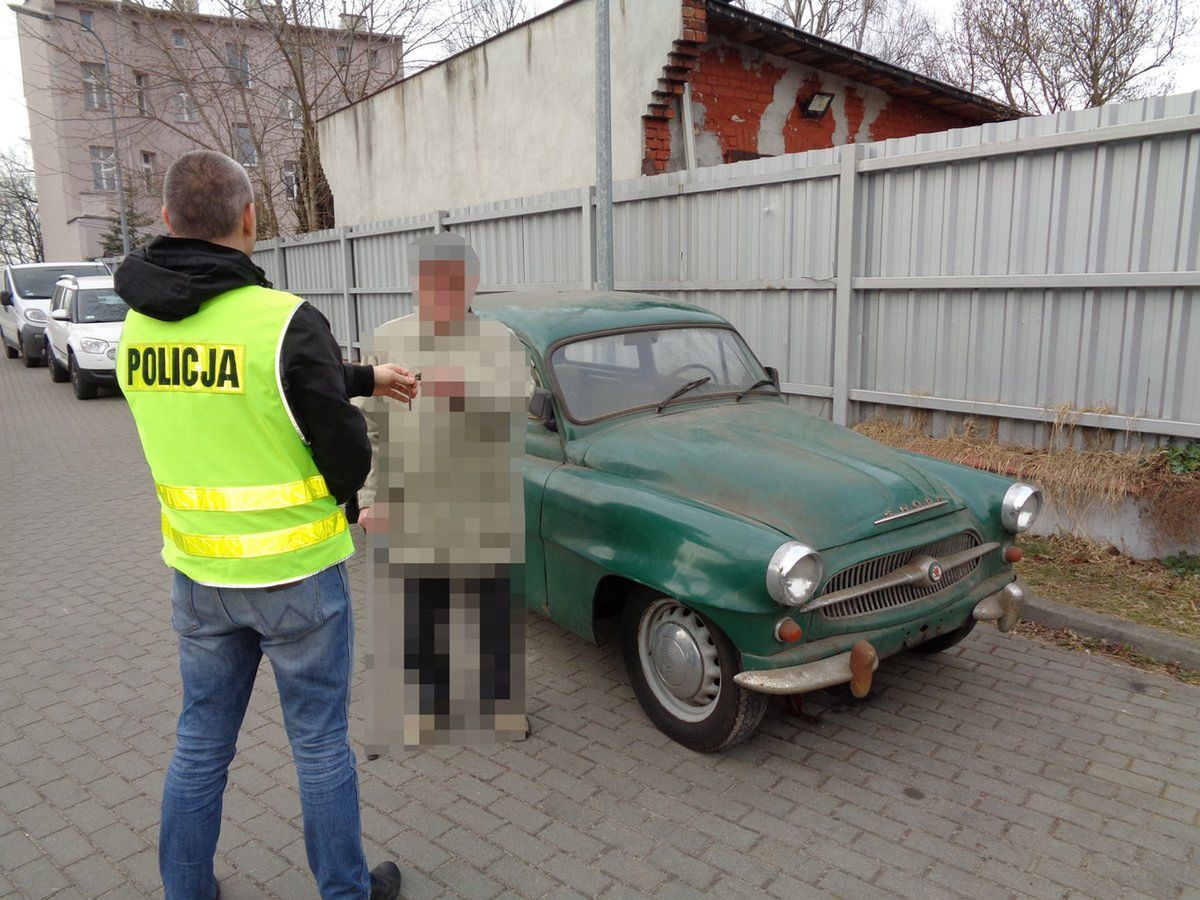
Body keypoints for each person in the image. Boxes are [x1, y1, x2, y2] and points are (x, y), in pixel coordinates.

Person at [114, 150, 415, 900]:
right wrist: (345, 501)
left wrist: (366, 375)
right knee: (317, 746)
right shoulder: (284, 319)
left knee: (199, 742)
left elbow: (254, 386)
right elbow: (340, 444)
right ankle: (345, 891)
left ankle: (186, 890)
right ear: (250, 220)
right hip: (298, 582)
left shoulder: (138, 330)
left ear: (167, 221)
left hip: (197, 577)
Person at [355, 233, 528, 749]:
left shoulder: (500, 340)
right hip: (414, 501)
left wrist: (467, 393)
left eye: (454, 280)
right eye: (431, 279)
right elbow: (372, 432)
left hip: (484, 501)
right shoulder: (386, 340)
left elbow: (520, 409)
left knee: (491, 607)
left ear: (472, 284)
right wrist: (369, 499)